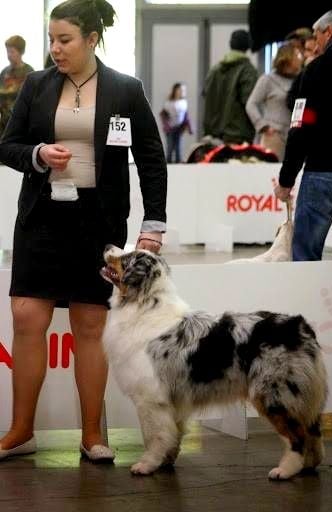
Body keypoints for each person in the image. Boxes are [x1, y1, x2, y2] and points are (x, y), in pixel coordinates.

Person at [0, 0, 167, 462]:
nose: (55, 48)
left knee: (89, 324)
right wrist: (37, 154)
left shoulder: (125, 90)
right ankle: (20, 431)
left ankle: (93, 435)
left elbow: (151, 159)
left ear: (92, 40)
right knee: (26, 317)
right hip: (41, 218)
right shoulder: (35, 85)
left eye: (65, 39)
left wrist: (153, 225)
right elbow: (7, 146)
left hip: (98, 221)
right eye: (51, 39)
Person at [274, 8, 332, 260]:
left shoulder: (315, 71)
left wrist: (286, 179)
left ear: (330, 32)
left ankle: (306, 300)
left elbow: (302, 126)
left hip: (322, 174)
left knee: (305, 258)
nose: (314, 43)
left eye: (317, 35)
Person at [246, 43, 303, 161]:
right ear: (287, 57)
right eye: (297, 55)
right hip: (274, 136)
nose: (300, 58)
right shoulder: (267, 80)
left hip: (295, 137)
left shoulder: (300, 80)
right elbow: (251, 104)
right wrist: (263, 126)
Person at [203, 29, 258, 144]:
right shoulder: (248, 70)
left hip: (212, 136)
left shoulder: (214, 70)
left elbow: (206, 96)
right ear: (248, 46)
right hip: (238, 136)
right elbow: (249, 101)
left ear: (230, 44)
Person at [0, 35, 33, 137]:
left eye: (12, 52)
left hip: (21, 123)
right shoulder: (4, 72)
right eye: (7, 51)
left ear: (21, 52)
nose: (9, 55)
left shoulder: (29, 73)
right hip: (4, 122)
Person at [159, 82, 193, 163]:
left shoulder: (183, 102)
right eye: (180, 90)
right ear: (176, 90)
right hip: (170, 128)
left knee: (178, 147)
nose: (182, 91)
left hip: (179, 128)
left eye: (183, 90)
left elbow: (186, 116)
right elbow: (163, 114)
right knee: (170, 146)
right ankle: (168, 162)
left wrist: (189, 127)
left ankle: (178, 163)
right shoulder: (169, 102)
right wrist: (166, 125)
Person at [286, 35, 321, 112]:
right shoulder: (303, 71)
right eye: (305, 49)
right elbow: (290, 100)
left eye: (309, 50)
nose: (305, 54)